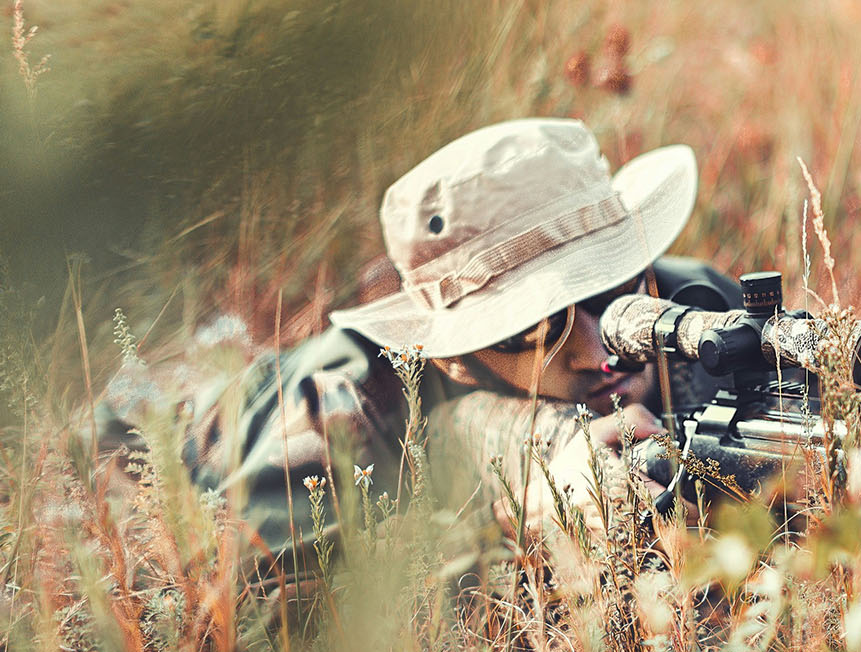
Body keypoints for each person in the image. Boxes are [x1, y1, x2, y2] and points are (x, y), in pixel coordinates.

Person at [96, 118, 739, 605]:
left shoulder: (690, 305)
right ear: (457, 357)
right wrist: (506, 522)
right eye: (538, 326)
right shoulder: (341, 411)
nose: (602, 348)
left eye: (614, 286)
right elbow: (249, 613)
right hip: (183, 424)